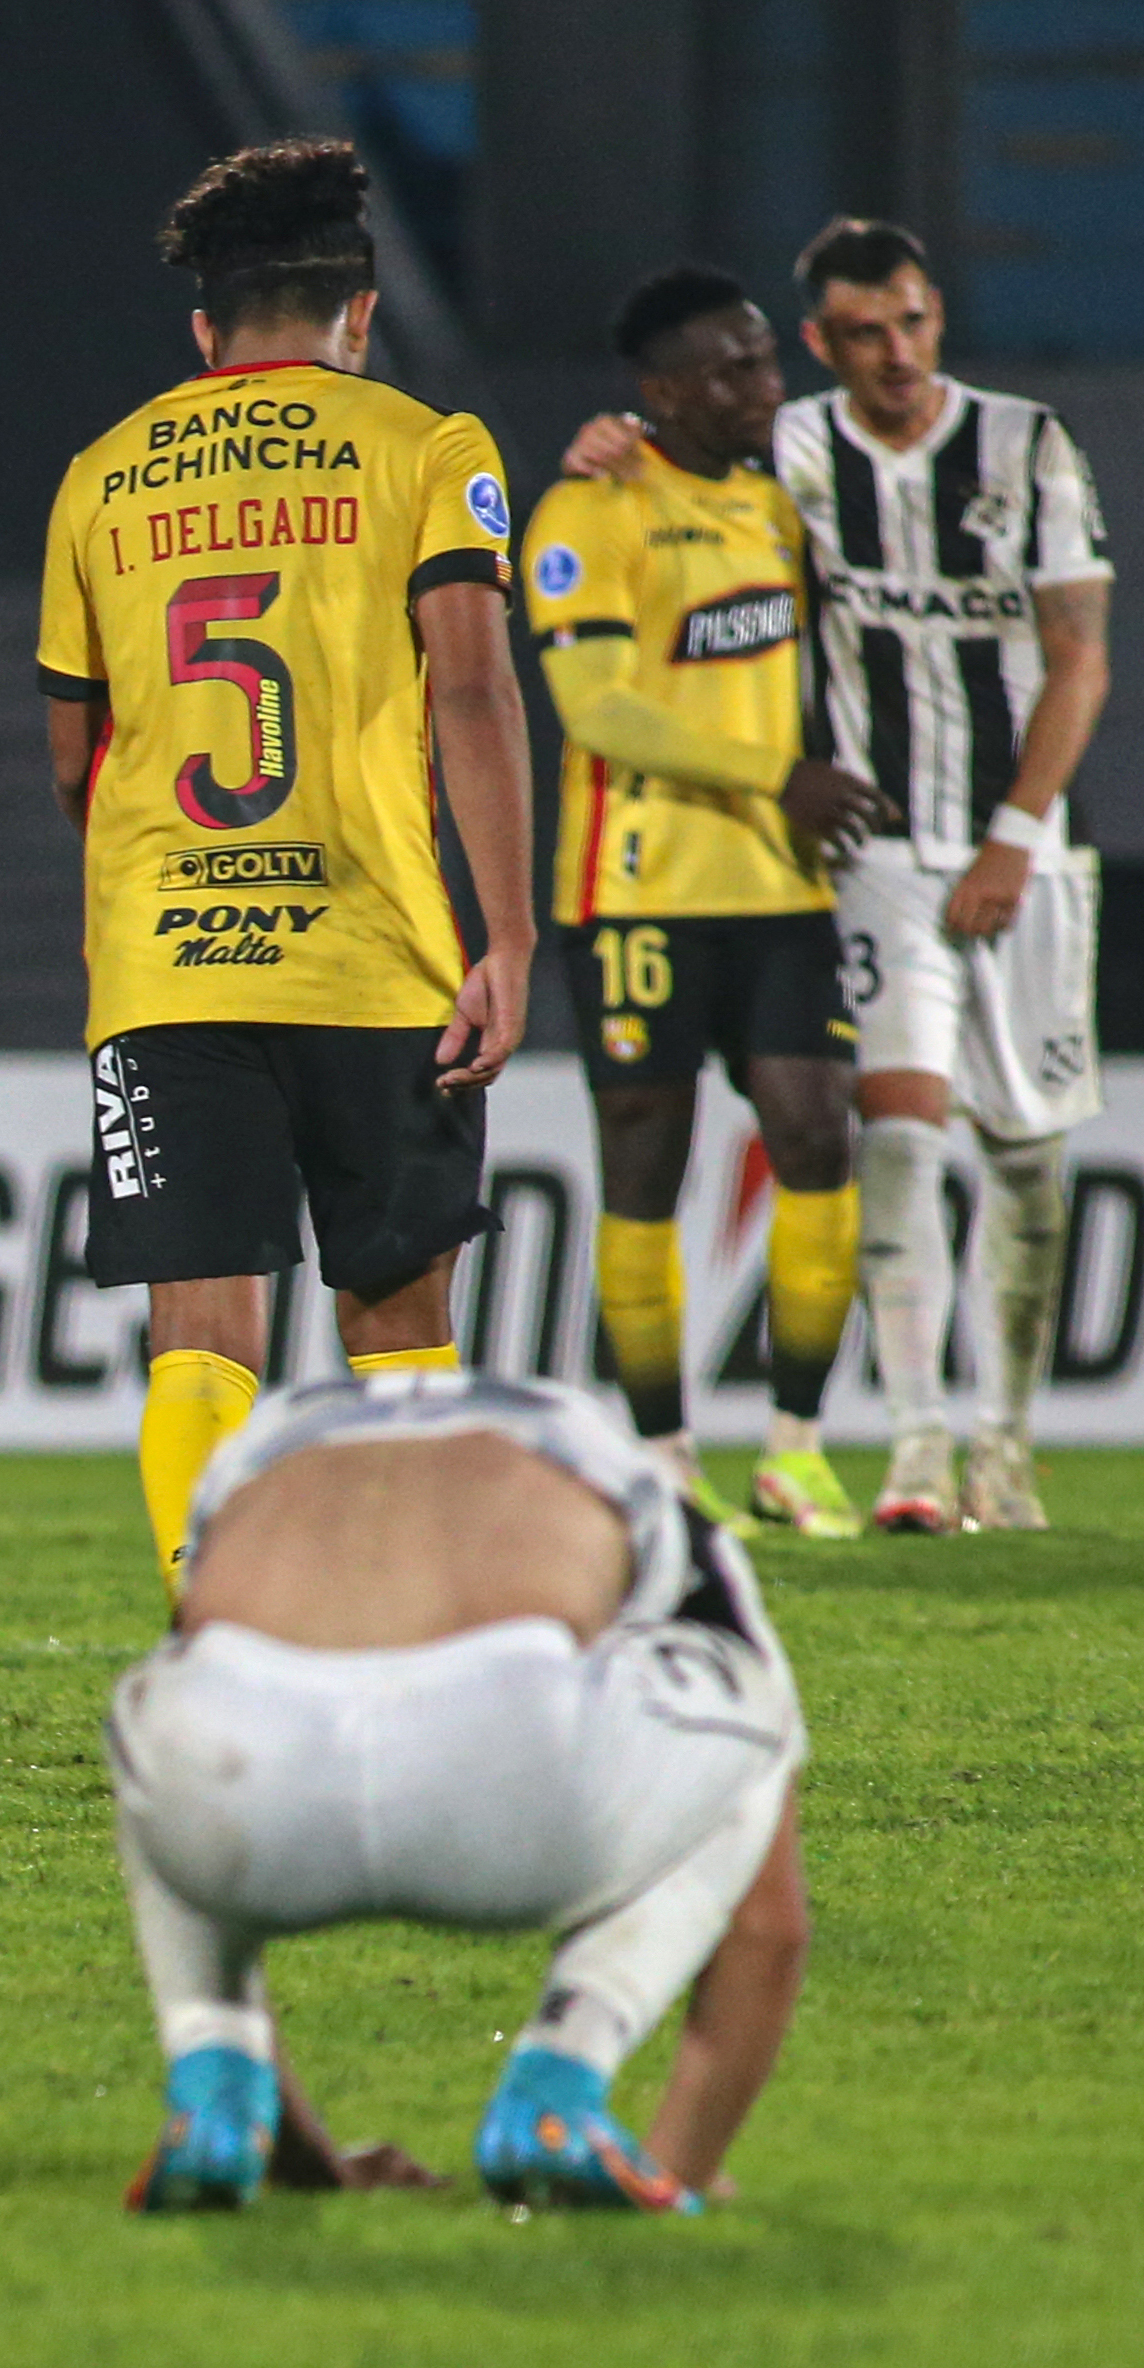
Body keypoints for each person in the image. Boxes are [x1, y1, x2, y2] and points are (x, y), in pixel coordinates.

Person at [38, 138, 536, 1589]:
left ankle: (217, 1636)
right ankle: (410, 1646)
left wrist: (153, 889)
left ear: (204, 333)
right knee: (399, 1322)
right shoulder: (428, 448)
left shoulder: (103, 476)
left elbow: (76, 757)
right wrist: (506, 936)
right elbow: (472, 690)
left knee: (201, 1332)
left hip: (169, 961)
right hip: (375, 954)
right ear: (360, 314)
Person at [566, 219, 1115, 1532]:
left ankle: (1007, 1440)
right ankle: (918, 1446)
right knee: (901, 1139)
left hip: (1024, 849)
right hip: (868, 852)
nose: (896, 353)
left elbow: (1079, 658)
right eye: (863, 333)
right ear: (821, 343)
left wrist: (1011, 836)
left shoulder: (1026, 444)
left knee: (1028, 1159)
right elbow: (666, 466)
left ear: (938, 316)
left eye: (914, 322)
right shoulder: (794, 453)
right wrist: (603, 446)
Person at [109, 1369, 811, 2215]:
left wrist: (318, 2169)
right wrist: (685, 2169)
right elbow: (772, 1926)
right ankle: (563, 2079)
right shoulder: (617, 1472)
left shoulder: (250, 1468)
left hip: (235, 1790)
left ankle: (216, 2090)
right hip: (505, 1772)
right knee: (762, 1720)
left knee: (180, 1702)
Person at [525, 267, 894, 1536]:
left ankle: (796, 1449)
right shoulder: (591, 507)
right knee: (647, 1162)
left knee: (816, 1139)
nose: (765, 383)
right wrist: (775, 774)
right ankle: (668, 1462)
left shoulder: (778, 511)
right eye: (734, 368)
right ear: (663, 390)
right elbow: (599, 710)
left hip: (779, 889)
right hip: (635, 889)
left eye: (763, 360)